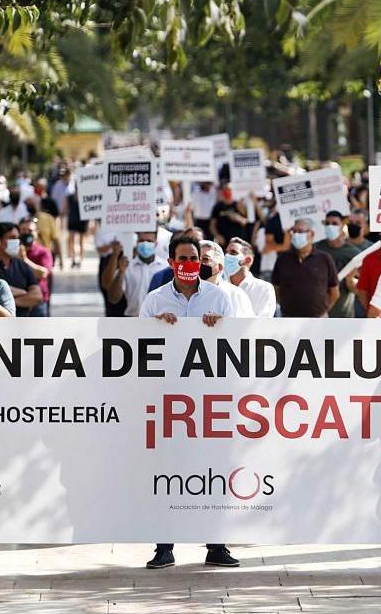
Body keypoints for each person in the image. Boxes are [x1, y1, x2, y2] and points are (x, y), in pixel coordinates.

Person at [139, 235, 238, 570]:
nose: (189, 264)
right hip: (169, 400)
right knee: (168, 471)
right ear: (171, 262)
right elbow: (136, 348)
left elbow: (239, 344)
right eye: (182, 258)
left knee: (212, 468)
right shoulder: (154, 301)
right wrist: (156, 329)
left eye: (194, 258)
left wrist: (218, 328)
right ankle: (164, 547)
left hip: (209, 398)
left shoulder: (218, 297)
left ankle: (216, 545)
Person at [272, 218, 340, 317]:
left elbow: (334, 292)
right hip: (288, 319)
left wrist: (323, 312)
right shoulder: (283, 258)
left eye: (300, 231)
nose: (295, 235)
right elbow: (276, 288)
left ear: (311, 234)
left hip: (318, 320)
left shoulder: (324, 258)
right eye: (294, 231)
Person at [314, 211, 367, 318]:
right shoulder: (316, 248)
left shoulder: (354, 254)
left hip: (343, 313)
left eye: (334, 223)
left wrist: (351, 280)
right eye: (327, 223)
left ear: (342, 225)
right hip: (317, 311)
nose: (330, 226)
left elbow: (359, 288)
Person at [0, 222, 45, 316]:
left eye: (17, 238)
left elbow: (37, 296)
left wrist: (7, 302)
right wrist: (24, 294)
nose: (17, 241)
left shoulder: (21, 264)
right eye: (12, 238)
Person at [105, 231, 168, 316]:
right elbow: (113, 298)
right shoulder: (126, 267)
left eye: (149, 241)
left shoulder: (166, 267)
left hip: (159, 321)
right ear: (137, 243)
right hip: (133, 320)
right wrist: (121, 272)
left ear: (156, 243)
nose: (145, 244)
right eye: (142, 241)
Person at [199, 240, 255, 316]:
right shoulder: (182, 293)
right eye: (195, 259)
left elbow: (246, 325)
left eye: (205, 259)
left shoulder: (235, 295)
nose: (199, 264)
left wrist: (223, 321)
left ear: (220, 267)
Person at [225, 237, 277, 317]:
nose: (227, 256)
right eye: (226, 252)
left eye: (233, 252)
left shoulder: (264, 288)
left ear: (248, 260)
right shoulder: (220, 287)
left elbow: (263, 322)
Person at [18, 216, 54, 314]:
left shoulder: (43, 252)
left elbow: (43, 274)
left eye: (30, 230)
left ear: (36, 233)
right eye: (23, 230)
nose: (26, 233)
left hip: (38, 303)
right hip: (19, 301)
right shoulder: (12, 251)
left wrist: (24, 260)